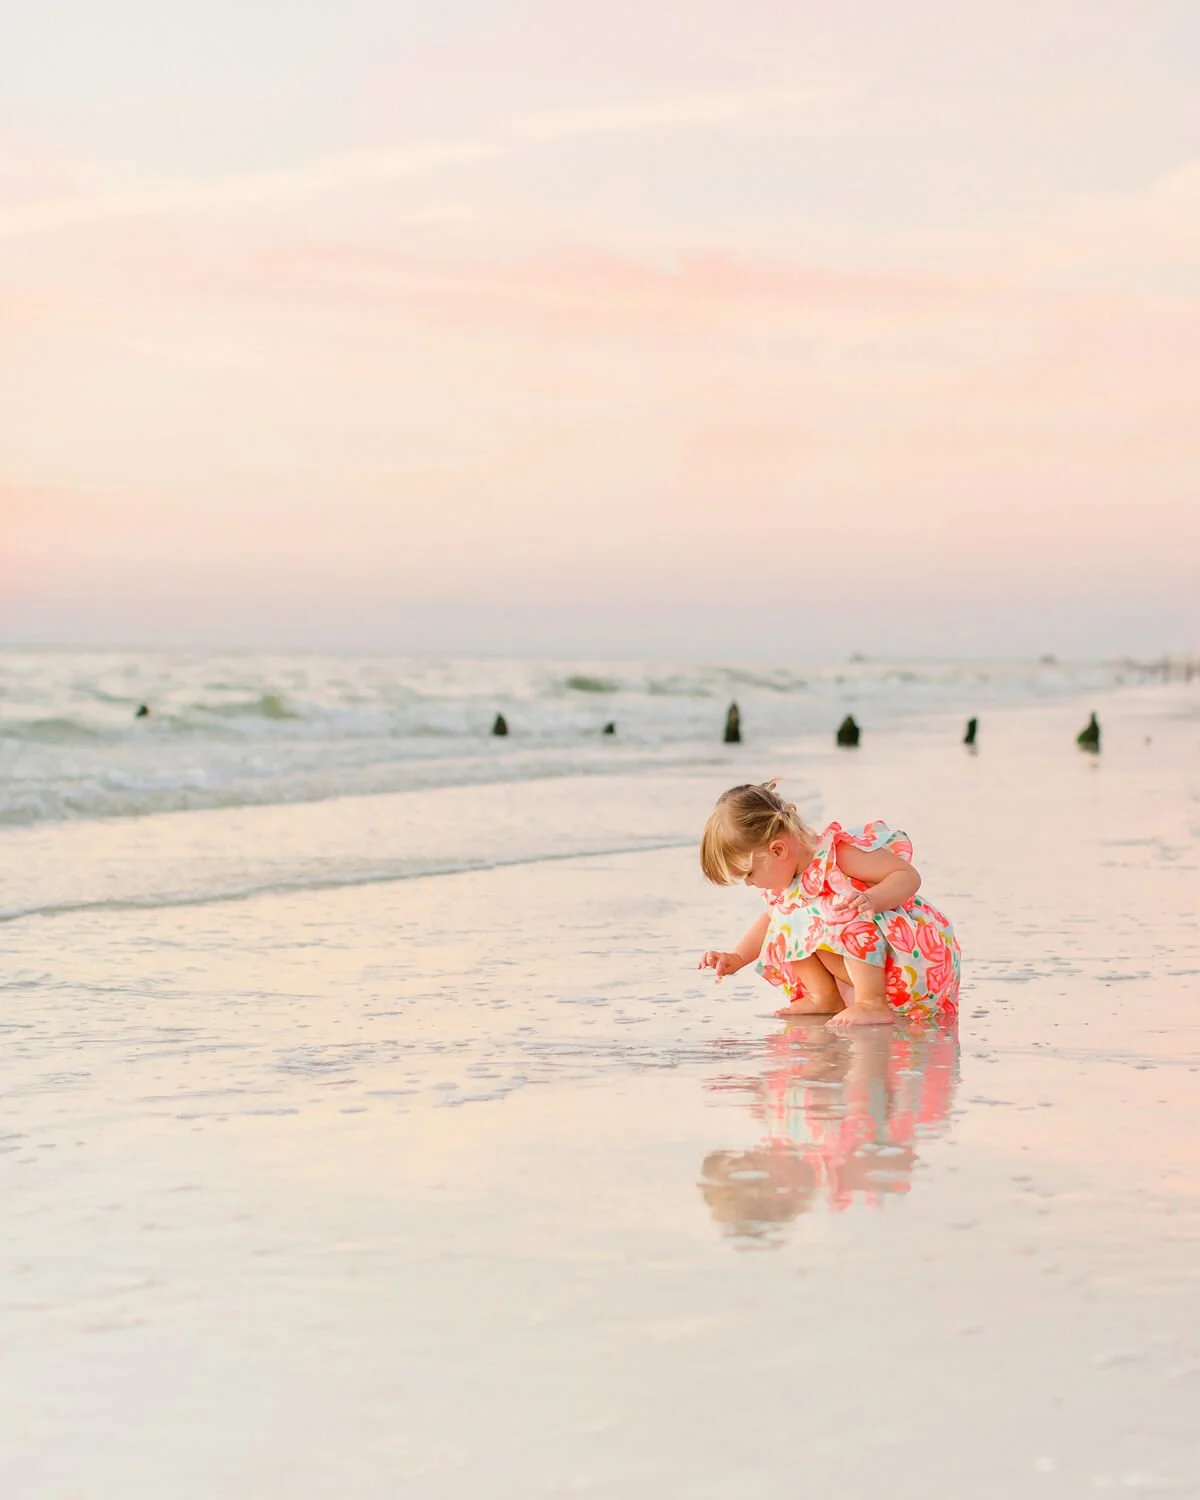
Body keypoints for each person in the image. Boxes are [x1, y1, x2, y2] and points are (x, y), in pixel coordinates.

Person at [697, 780, 960, 1027]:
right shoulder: (789, 886)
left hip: (913, 962)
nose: (749, 884)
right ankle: (825, 996)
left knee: (840, 908)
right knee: (784, 919)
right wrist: (737, 957)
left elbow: (908, 877)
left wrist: (873, 899)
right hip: (874, 971)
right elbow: (769, 921)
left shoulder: (838, 854)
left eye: (749, 874)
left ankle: (872, 1002)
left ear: (777, 850)